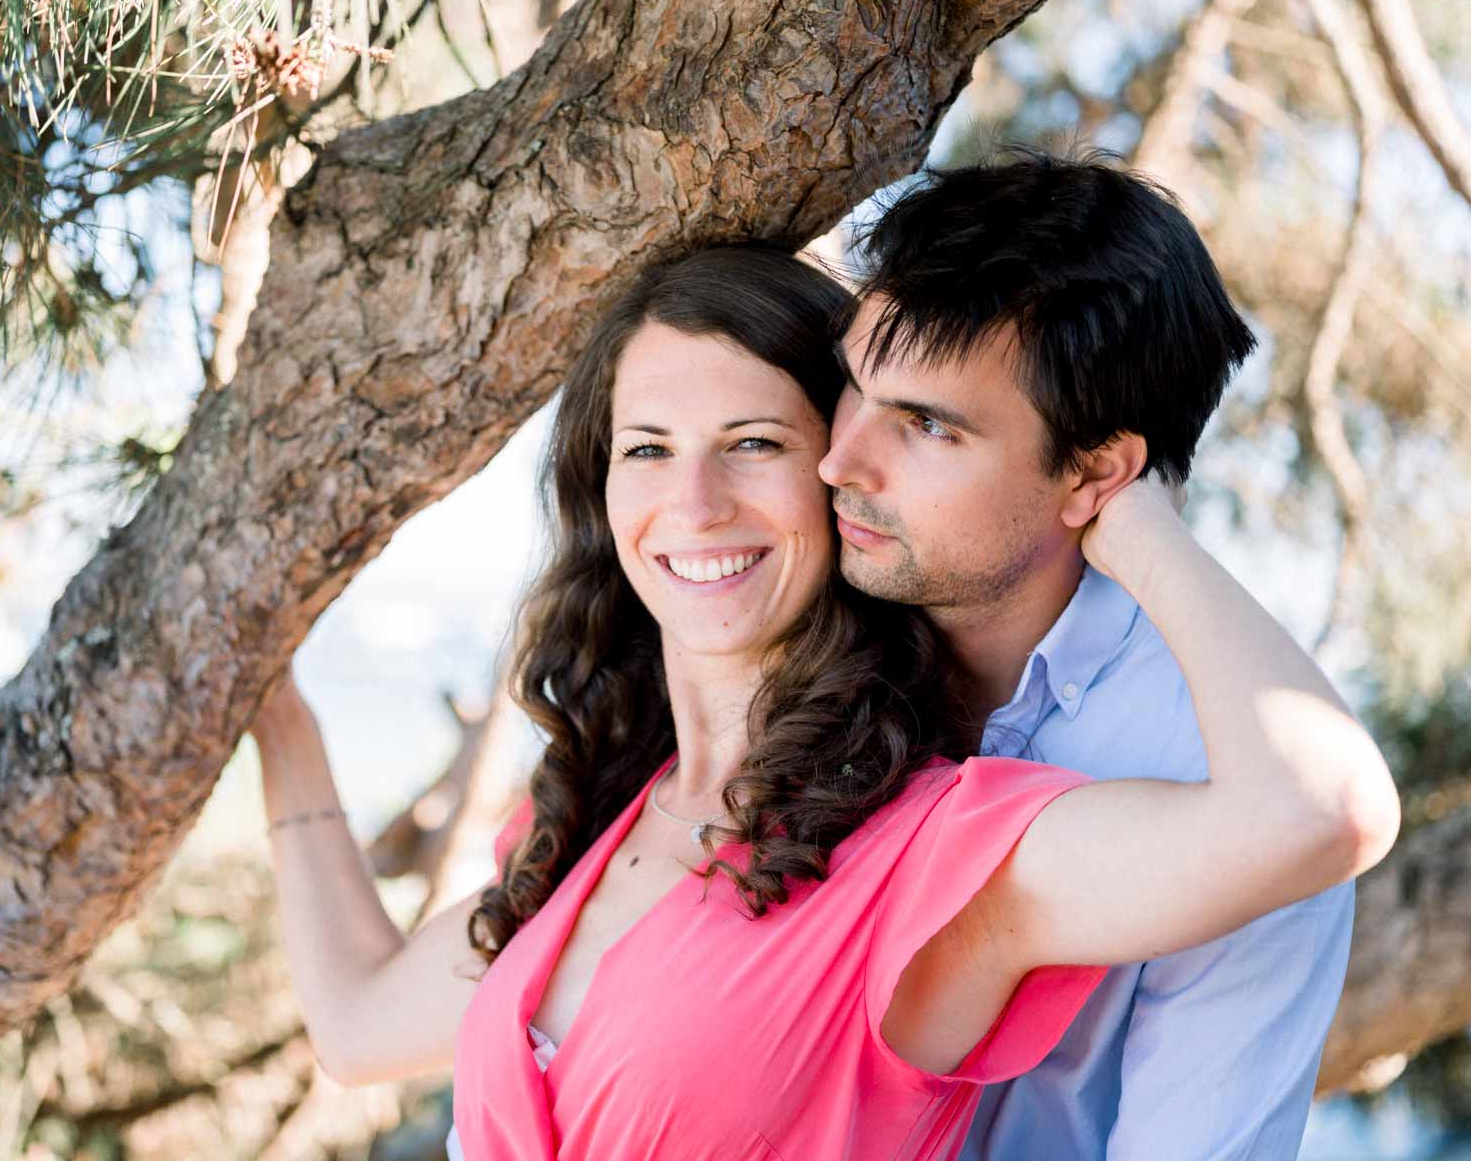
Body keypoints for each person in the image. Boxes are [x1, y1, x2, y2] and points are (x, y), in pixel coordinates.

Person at [249, 243, 1397, 1160]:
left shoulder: (938, 849)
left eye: (753, 444)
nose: (692, 503)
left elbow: (1317, 810)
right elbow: (354, 1028)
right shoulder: (595, 821)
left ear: (840, 474)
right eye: (646, 448)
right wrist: (277, 716)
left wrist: (1124, 511)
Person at [820, 150, 1362, 1160]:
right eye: (854, 387)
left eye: (926, 425)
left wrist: (1151, 535)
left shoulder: (1223, 776)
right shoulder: (799, 618)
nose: (837, 459)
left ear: (1097, 472)